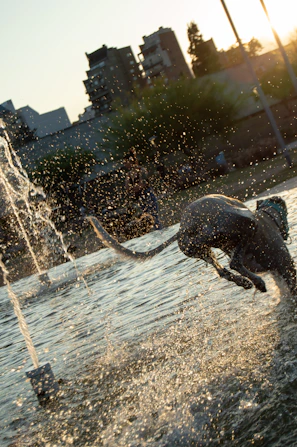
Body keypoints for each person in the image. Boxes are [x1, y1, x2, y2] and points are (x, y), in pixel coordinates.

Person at [123, 149, 162, 230]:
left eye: (126, 162)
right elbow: (127, 188)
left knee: (154, 217)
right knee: (147, 219)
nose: (124, 164)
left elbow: (142, 185)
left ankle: (160, 233)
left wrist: (133, 188)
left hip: (147, 195)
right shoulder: (129, 174)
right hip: (140, 197)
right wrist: (135, 188)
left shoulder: (141, 170)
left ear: (131, 161)